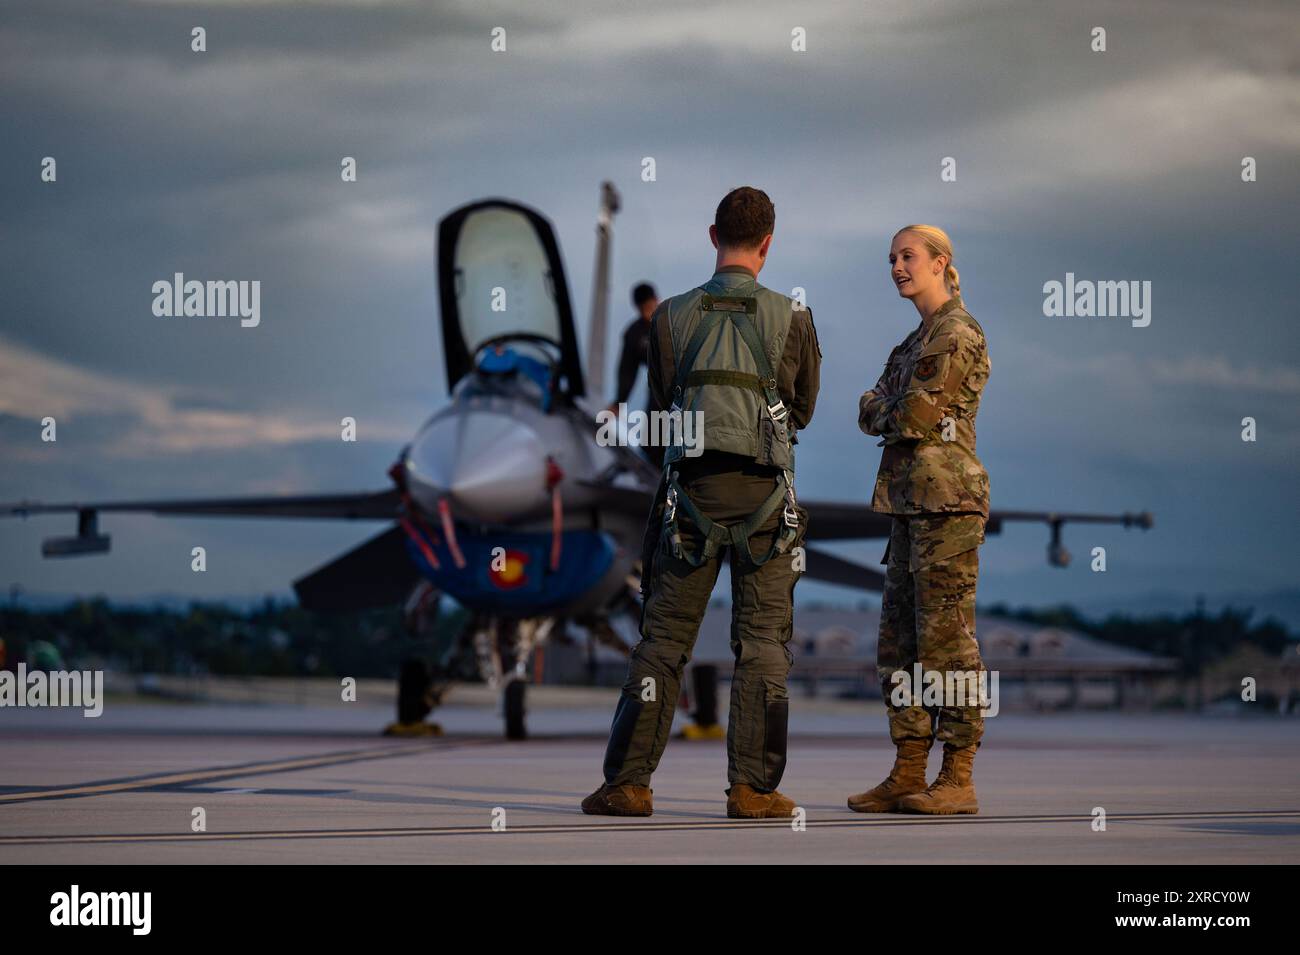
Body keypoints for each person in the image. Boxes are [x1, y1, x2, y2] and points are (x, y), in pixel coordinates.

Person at [582, 187, 821, 819]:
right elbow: (800, 411)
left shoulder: (667, 319)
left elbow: (661, 411)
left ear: (712, 236)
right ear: (768, 243)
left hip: (687, 501)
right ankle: (752, 791)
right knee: (764, 646)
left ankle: (627, 786)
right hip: (767, 504)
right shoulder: (794, 318)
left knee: (661, 644)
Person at [851, 224, 990, 815]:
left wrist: (889, 407)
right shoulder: (913, 343)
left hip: (948, 507)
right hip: (909, 505)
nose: (897, 268)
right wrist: (889, 407)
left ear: (939, 263)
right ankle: (909, 770)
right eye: (891, 259)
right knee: (900, 644)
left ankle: (957, 776)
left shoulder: (957, 334)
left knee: (948, 644)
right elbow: (871, 407)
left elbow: (910, 414)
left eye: (907, 257)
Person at [609, 282, 663, 466]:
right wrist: (618, 403)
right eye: (643, 309)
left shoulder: (674, 322)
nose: (648, 313)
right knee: (651, 444)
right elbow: (627, 371)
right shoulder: (635, 333)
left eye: (650, 306)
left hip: (686, 392)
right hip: (658, 393)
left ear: (657, 300)